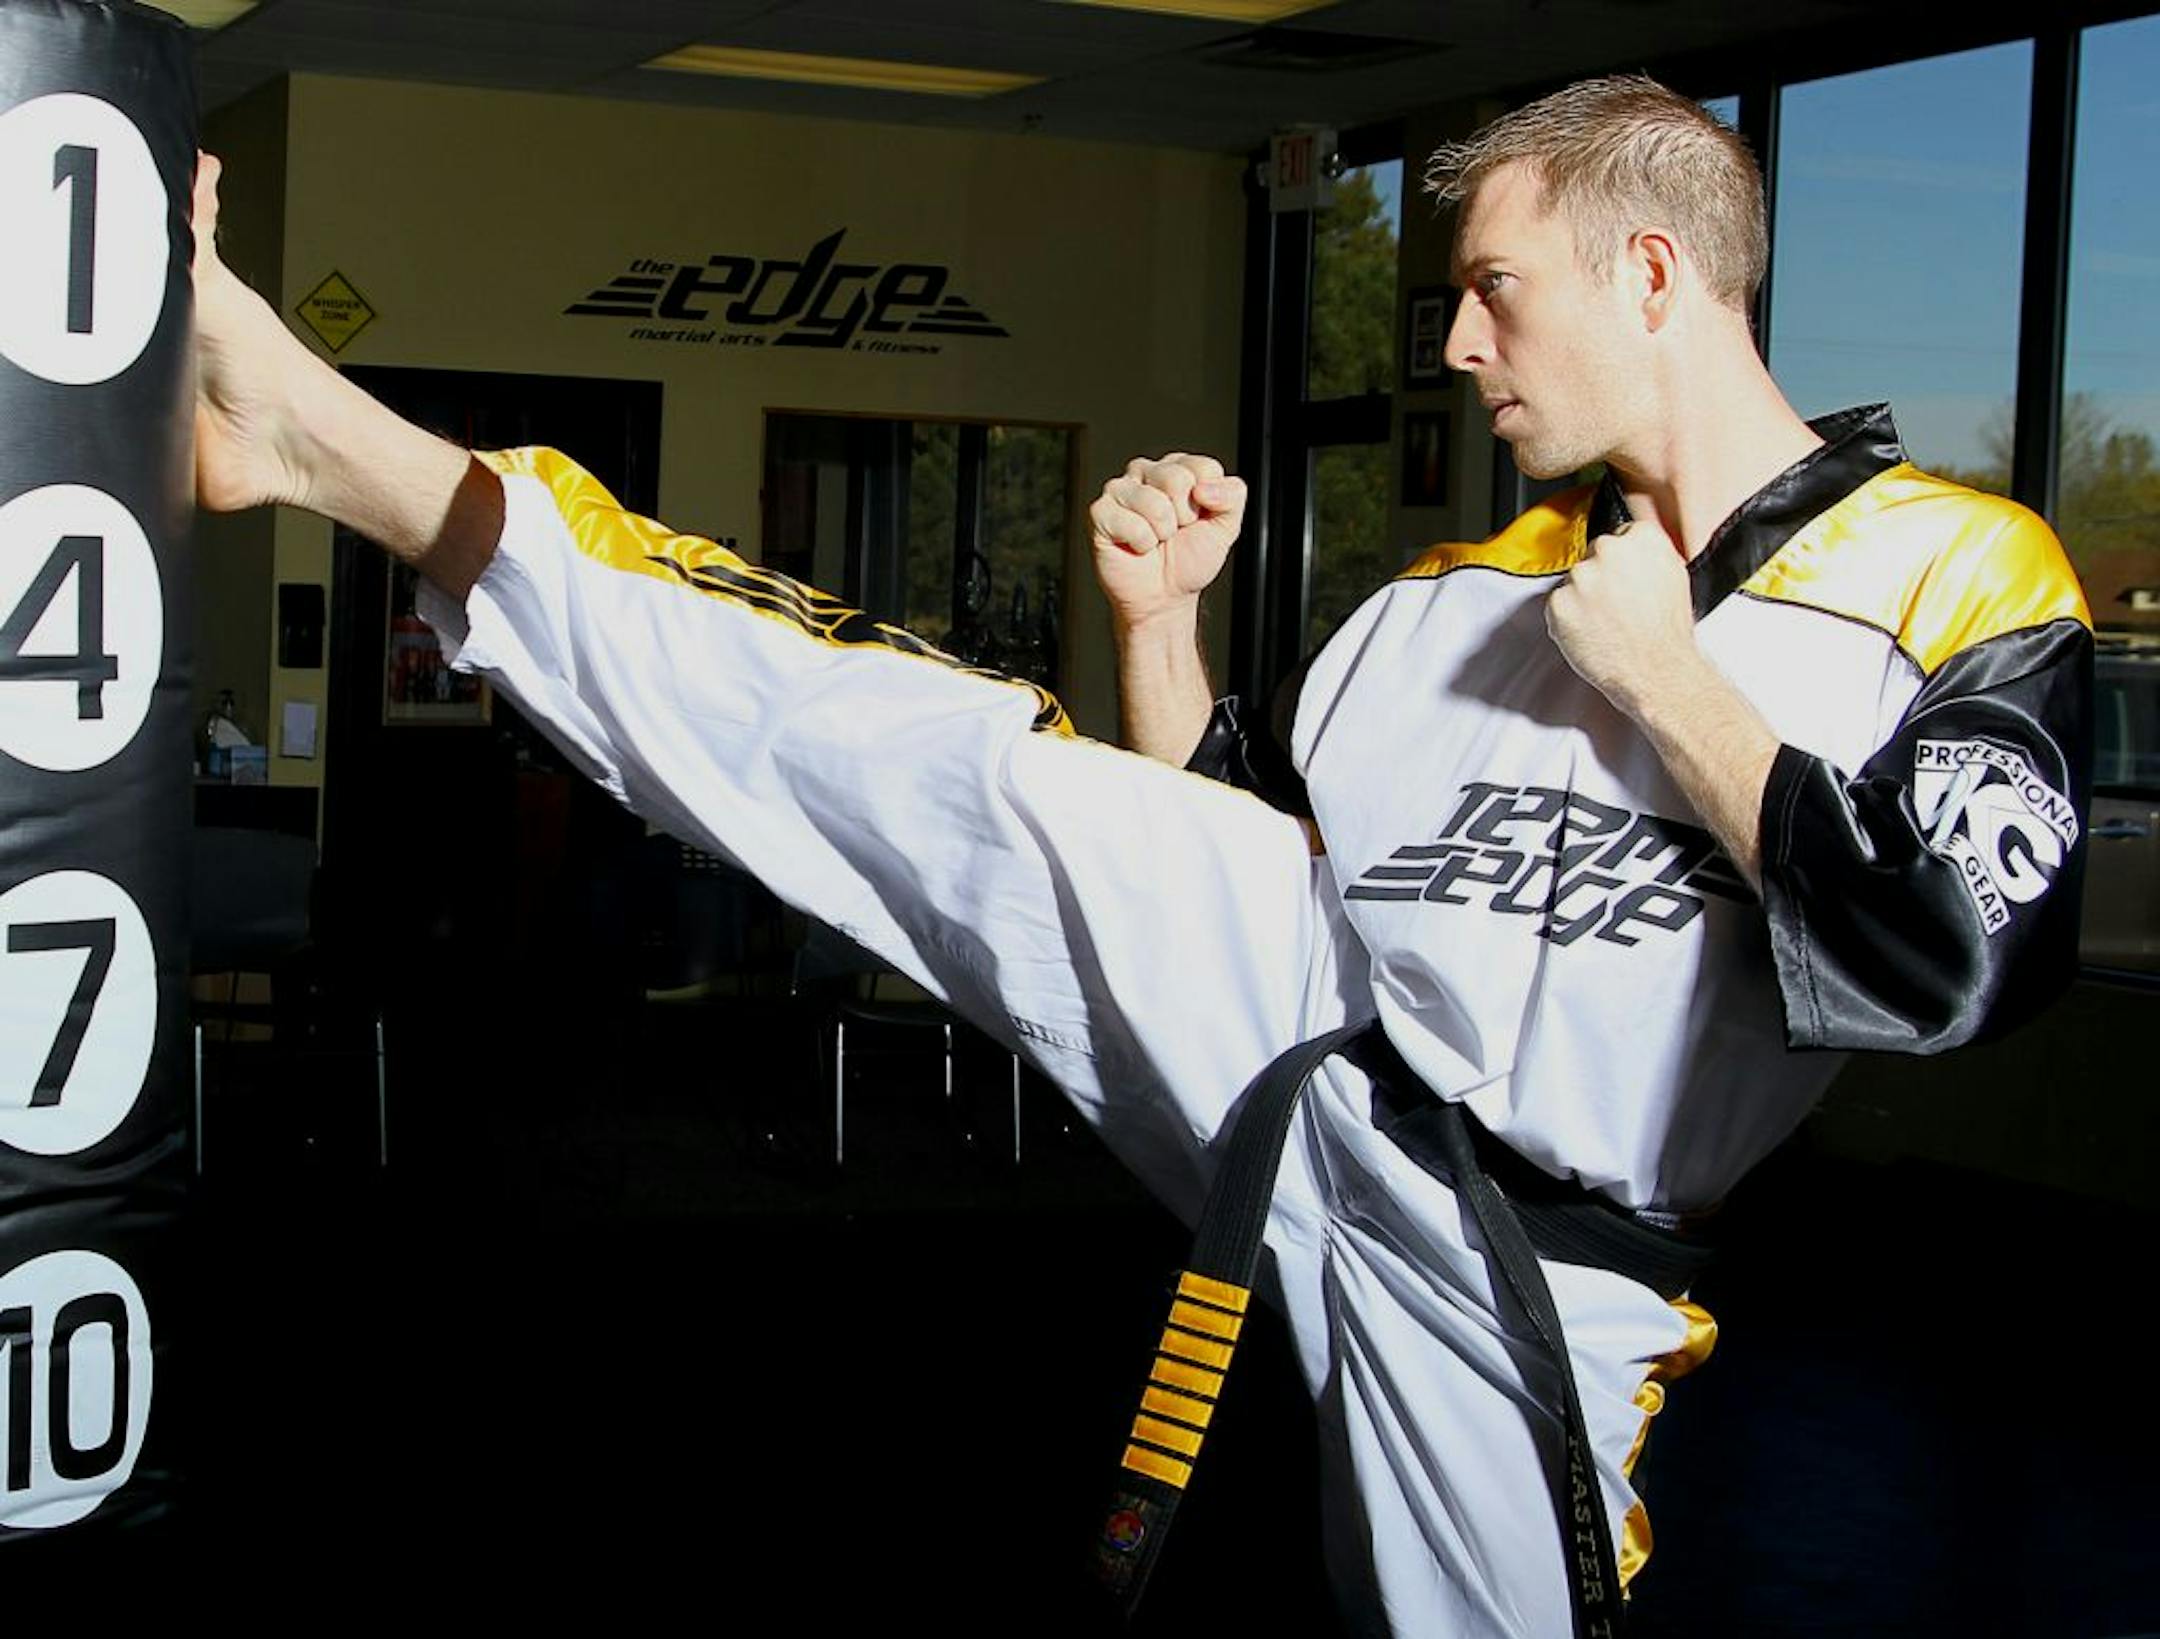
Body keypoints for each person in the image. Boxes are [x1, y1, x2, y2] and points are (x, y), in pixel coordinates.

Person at [187, 70, 2091, 1637]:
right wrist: (1158, 631)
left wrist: (1674, 686)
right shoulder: (1456, 597)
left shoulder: (1953, 570)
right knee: (947, 755)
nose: (1449, 343)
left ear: (1653, 273)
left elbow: (1954, 965)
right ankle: (310, 429)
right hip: (1320, 1049)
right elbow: (1230, 844)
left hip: (1539, 1248)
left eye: (1491, 290)